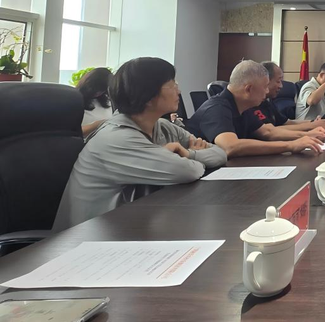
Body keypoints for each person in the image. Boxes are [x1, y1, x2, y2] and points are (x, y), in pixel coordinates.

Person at [53, 57, 227, 230]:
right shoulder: (116, 139)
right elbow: (187, 171)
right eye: (172, 85)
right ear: (148, 96)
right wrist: (185, 159)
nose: (179, 91)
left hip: (134, 225)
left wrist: (188, 153)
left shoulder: (162, 127)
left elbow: (220, 154)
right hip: (90, 238)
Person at [187, 60, 325, 157]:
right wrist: (290, 145)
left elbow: (267, 132)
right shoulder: (217, 108)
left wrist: (305, 136)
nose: (267, 91)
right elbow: (230, 146)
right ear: (248, 89)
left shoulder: (244, 107)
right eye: (265, 87)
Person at [251, 62, 325, 131]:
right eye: (278, 81)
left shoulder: (267, 103)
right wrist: (310, 127)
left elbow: (286, 123)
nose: (281, 86)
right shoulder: (251, 106)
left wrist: (313, 122)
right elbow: (270, 132)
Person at [76, 67, 114, 139]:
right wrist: (98, 125)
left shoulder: (107, 102)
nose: (98, 93)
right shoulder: (74, 101)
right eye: (96, 89)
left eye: (102, 90)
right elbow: (71, 132)